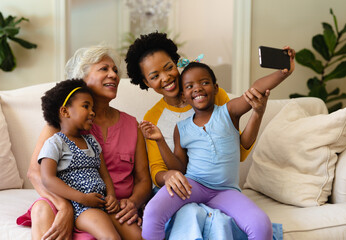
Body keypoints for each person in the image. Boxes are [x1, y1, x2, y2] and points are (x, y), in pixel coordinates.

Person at [125, 31, 269, 239]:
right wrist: (168, 176)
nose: (166, 78)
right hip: (181, 187)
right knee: (191, 214)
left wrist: (258, 112)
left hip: (222, 186)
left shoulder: (210, 95)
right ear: (147, 83)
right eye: (155, 77)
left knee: (220, 220)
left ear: (176, 63)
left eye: (168, 68)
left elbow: (237, 151)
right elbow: (156, 169)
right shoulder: (153, 117)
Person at [140, 58, 294, 240]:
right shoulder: (181, 128)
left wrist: (282, 72)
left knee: (261, 225)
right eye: (189, 86)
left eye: (204, 82)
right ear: (183, 95)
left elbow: (256, 89)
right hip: (193, 185)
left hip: (226, 191)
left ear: (215, 88)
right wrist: (160, 141)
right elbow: (179, 168)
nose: (197, 88)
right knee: (152, 211)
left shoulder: (229, 111)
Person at [18, 45, 151, 240]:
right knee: (42, 209)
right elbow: (36, 173)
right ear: (82, 78)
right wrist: (65, 207)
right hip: (72, 201)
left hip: (114, 206)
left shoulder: (132, 125)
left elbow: (143, 180)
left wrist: (132, 203)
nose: (113, 75)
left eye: (115, 70)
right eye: (104, 69)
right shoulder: (63, 123)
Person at [38, 79, 121, 239]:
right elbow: (47, 179)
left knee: (138, 235)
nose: (92, 112)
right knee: (112, 238)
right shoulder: (55, 142)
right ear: (65, 111)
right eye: (86, 106)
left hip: (103, 203)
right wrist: (82, 198)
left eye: (93, 108)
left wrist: (111, 195)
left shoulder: (92, 141)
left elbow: (104, 175)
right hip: (82, 207)